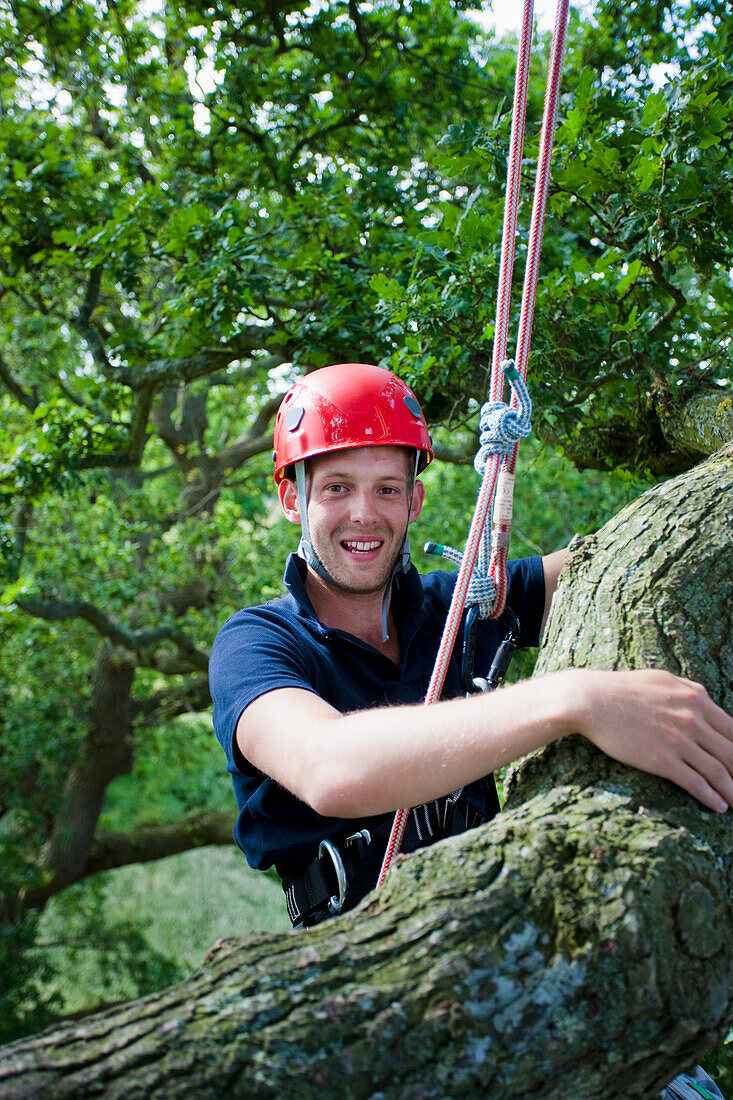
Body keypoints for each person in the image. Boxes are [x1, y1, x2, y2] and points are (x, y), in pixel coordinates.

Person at [210, 362, 729, 1097]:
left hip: (520, 946)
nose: (364, 513)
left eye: (387, 489)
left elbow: (610, 563)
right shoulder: (257, 645)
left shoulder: (457, 609)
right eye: (336, 488)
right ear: (291, 496)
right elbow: (329, 767)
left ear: (416, 500)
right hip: (370, 983)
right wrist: (571, 698)